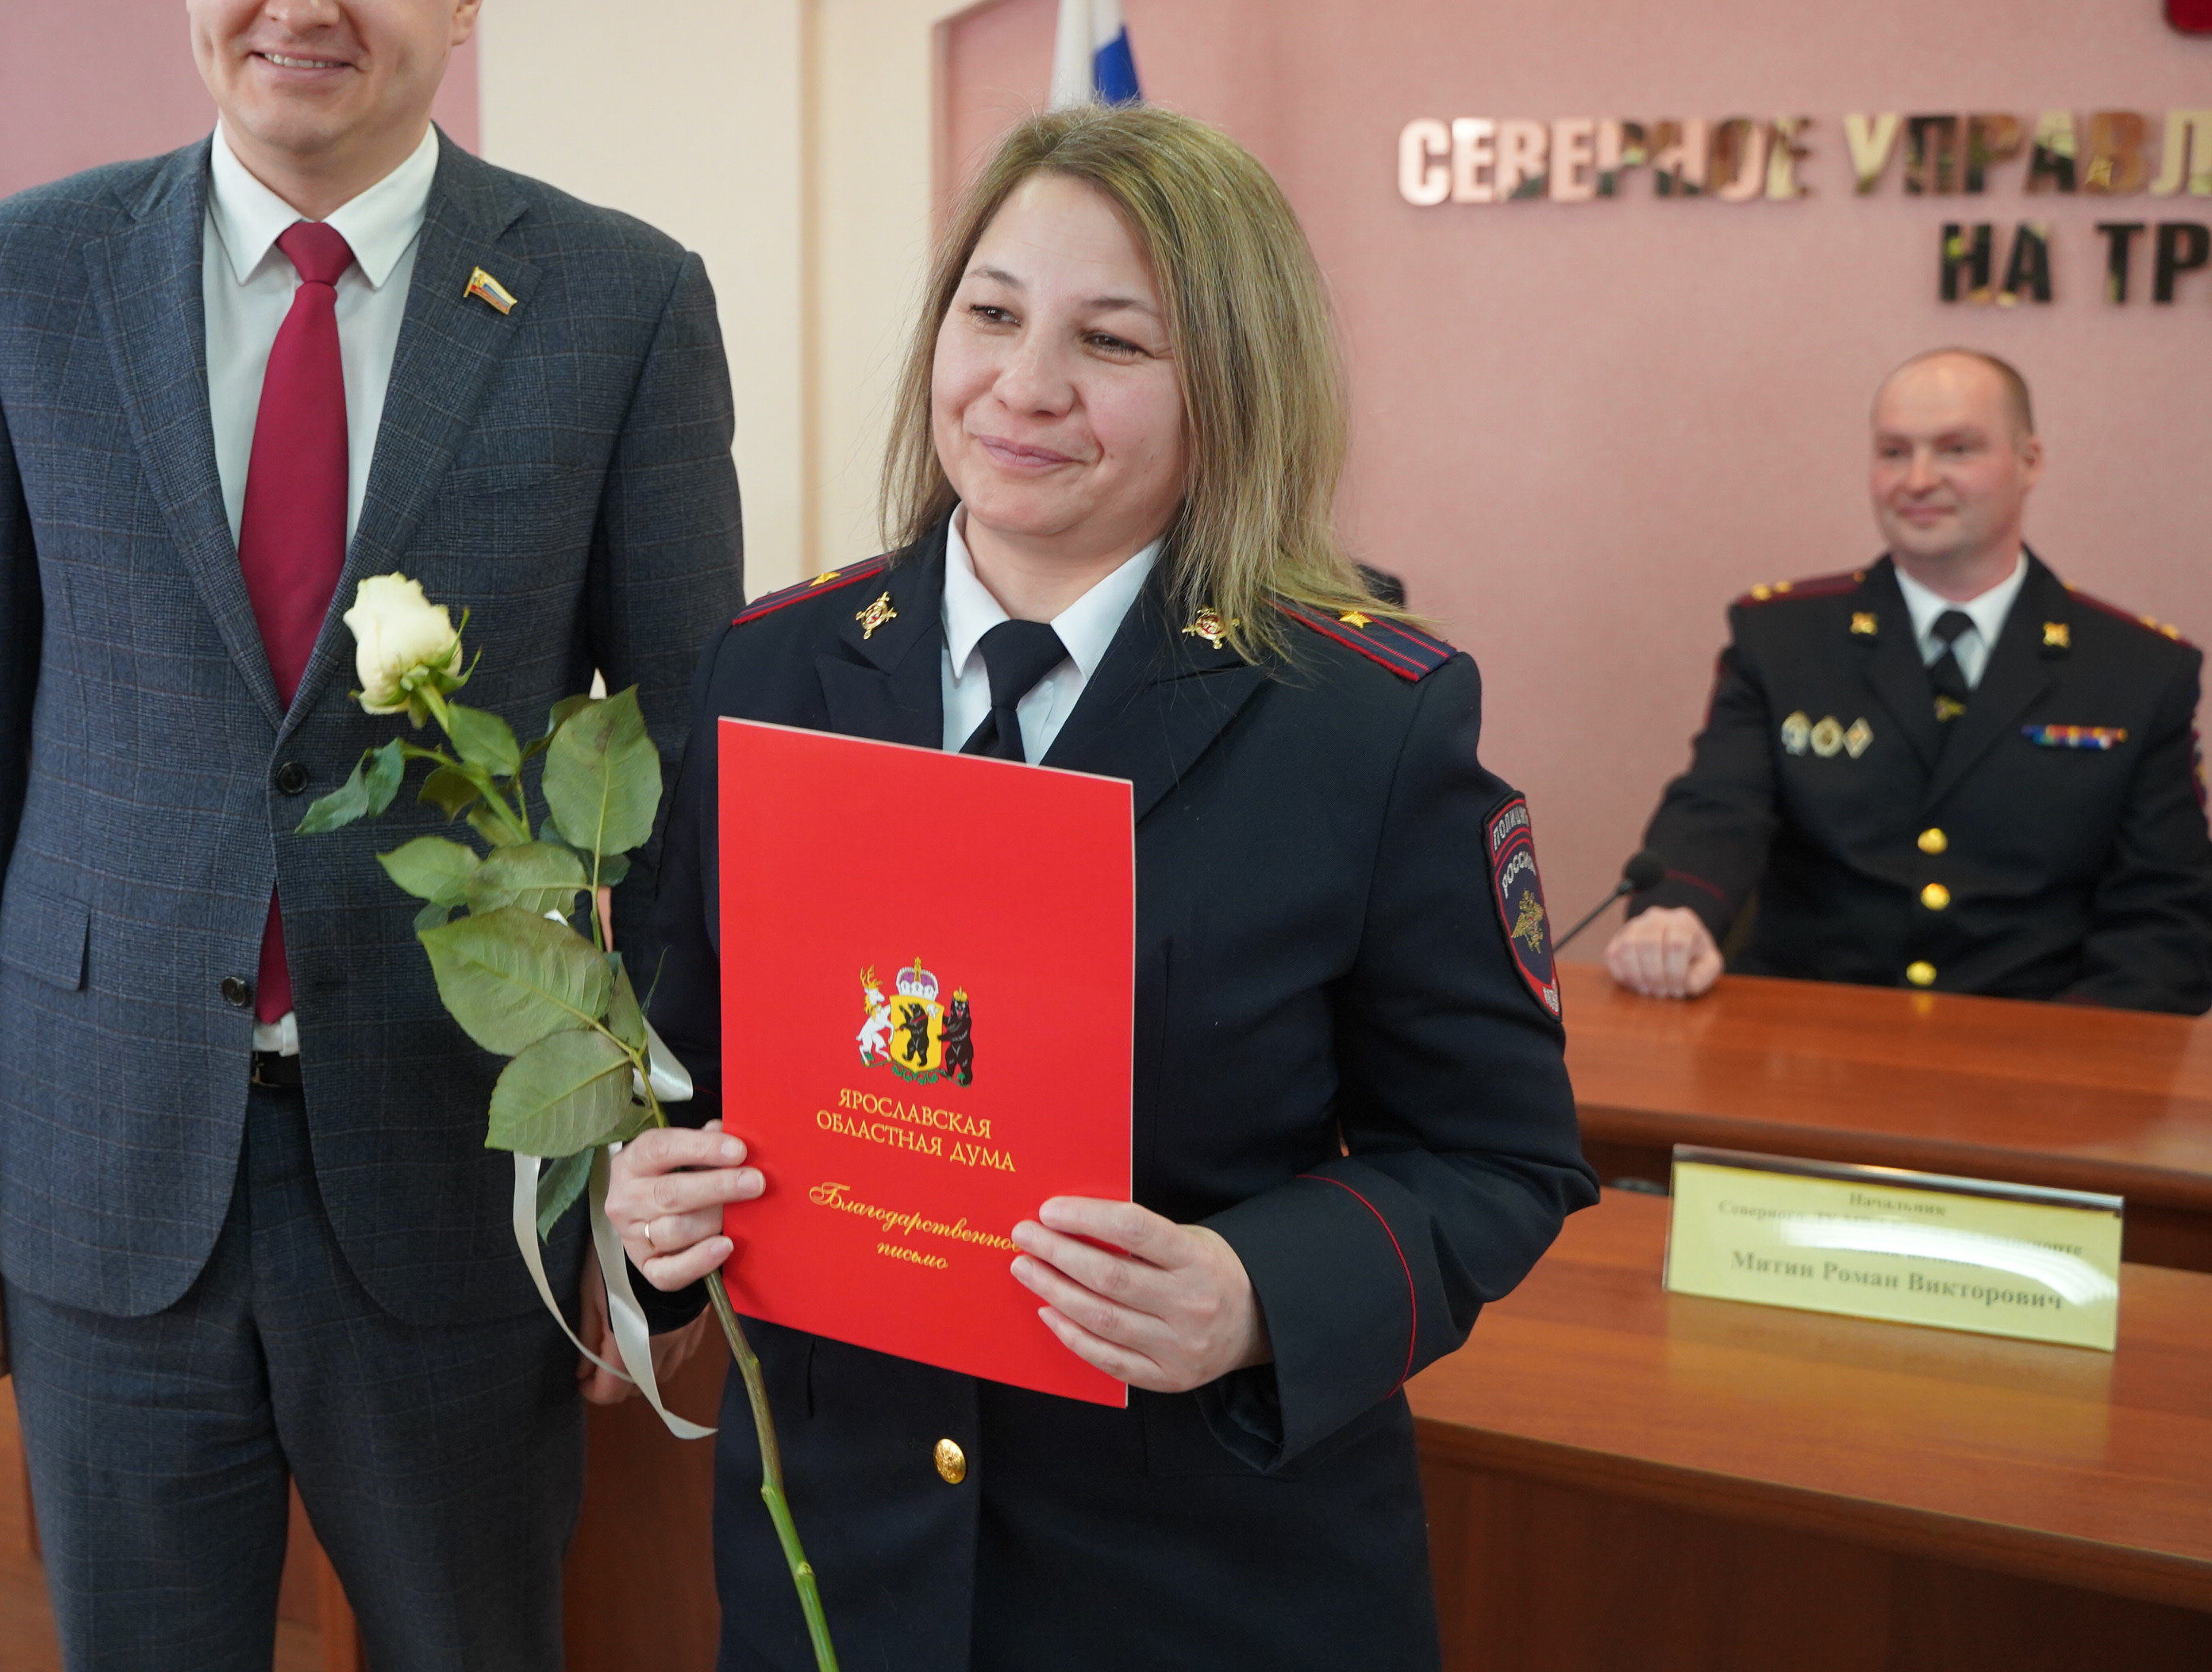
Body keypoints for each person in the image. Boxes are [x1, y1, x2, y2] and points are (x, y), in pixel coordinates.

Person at [0, 0, 743, 1670]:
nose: (301, 0)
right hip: (101, 1159)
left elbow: (692, 789)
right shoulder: (18, 278)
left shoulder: (619, 303)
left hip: (465, 1169)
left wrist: (655, 1184)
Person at [606, 104, 1595, 1670]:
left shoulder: (1364, 720)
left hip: (1200, 1579)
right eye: (991, 314)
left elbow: (1498, 1157)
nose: (1024, 384)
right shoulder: (767, 668)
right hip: (844, 1572)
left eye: (1111, 341)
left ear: (1232, 386)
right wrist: (646, 1205)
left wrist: (1253, 1290)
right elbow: (677, 1071)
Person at [1606, 349, 2211, 1014]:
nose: (1918, 480)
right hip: (1809, 1037)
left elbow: (2165, 918)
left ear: (2029, 461)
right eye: (1894, 452)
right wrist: (1676, 912)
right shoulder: (1781, 639)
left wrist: (2065, 1061)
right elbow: (1719, 807)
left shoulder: (2139, 672)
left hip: (2037, 1046)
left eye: (1956, 449)